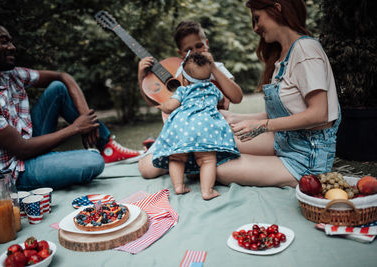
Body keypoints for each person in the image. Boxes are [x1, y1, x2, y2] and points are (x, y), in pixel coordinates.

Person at [0, 16, 141, 192]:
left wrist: (87, 120)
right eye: (3, 42)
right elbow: (21, 149)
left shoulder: (10, 75)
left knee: (58, 88)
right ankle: (57, 161)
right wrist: (77, 128)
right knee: (92, 161)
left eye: (11, 41)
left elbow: (63, 77)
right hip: (13, 173)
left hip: (30, 143)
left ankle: (107, 147)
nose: (12, 47)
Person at [216, 0, 341, 188]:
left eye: (257, 19)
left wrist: (261, 126)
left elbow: (319, 114)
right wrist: (235, 117)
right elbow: (287, 112)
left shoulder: (305, 50)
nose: (256, 28)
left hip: (306, 159)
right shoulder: (283, 55)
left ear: (277, 8)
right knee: (215, 144)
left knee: (219, 169)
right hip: (284, 140)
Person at [138, 20, 243, 179]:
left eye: (199, 46)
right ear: (181, 53)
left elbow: (237, 97)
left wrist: (212, 66)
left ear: (206, 44)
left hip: (210, 130)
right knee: (147, 170)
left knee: (205, 166)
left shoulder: (217, 67)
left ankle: (186, 161)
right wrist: (141, 77)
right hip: (180, 133)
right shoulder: (177, 72)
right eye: (188, 49)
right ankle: (157, 147)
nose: (195, 52)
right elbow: (154, 101)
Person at [152, 52, 240, 200]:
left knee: (176, 158)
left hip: (183, 127)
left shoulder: (183, 90)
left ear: (185, 80)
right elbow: (223, 102)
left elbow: (170, 106)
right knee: (207, 160)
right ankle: (207, 191)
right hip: (206, 128)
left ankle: (179, 187)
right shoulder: (213, 89)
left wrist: (161, 106)